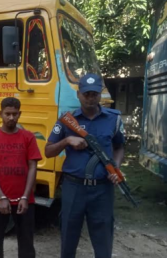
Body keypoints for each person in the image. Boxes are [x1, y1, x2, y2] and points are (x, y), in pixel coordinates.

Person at [44, 73, 125, 258]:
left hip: (103, 189)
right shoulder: (66, 120)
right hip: (74, 188)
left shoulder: (113, 119)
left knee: (103, 240)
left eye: (94, 94)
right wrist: (66, 141)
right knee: (68, 239)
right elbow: (48, 151)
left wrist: (116, 167)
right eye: (86, 93)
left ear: (100, 95)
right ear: (78, 94)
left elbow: (119, 147)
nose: (90, 98)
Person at [0, 97, 42, 258]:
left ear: (19, 114)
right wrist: (1, 197)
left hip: (24, 200)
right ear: (0, 114)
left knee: (27, 242)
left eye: (14, 114)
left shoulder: (28, 137)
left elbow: (32, 166)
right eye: (7, 114)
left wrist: (25, 196)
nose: (11, 118)